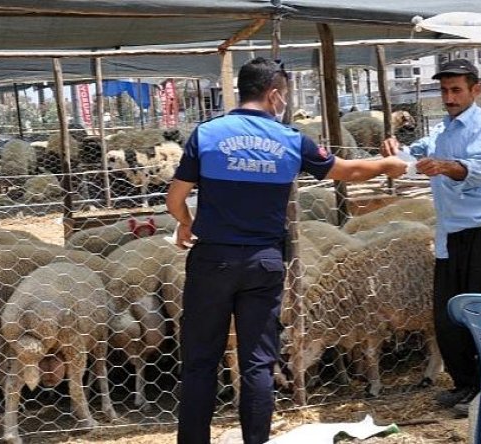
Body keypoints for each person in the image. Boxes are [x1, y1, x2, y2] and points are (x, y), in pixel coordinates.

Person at [166, 57, 407, 444]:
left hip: (213, 260)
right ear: (274, 94)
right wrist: (387, 165)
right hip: (264, 261)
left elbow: (175, 197)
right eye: (284, 96)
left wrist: (185, 222)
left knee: (199, 363)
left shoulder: (207, 134)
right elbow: (346, 171)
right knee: (258, 364)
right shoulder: (292, 140)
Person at [381, 58, 481, 415]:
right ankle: (464, 383)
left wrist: (445, 167)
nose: (449, 97)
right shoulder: (444, 130)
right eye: (444, 91)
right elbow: (415, 154)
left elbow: (480, 169)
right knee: (448, 314)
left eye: (456, 90)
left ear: (475, 89)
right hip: (451, 232)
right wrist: (397, 153)